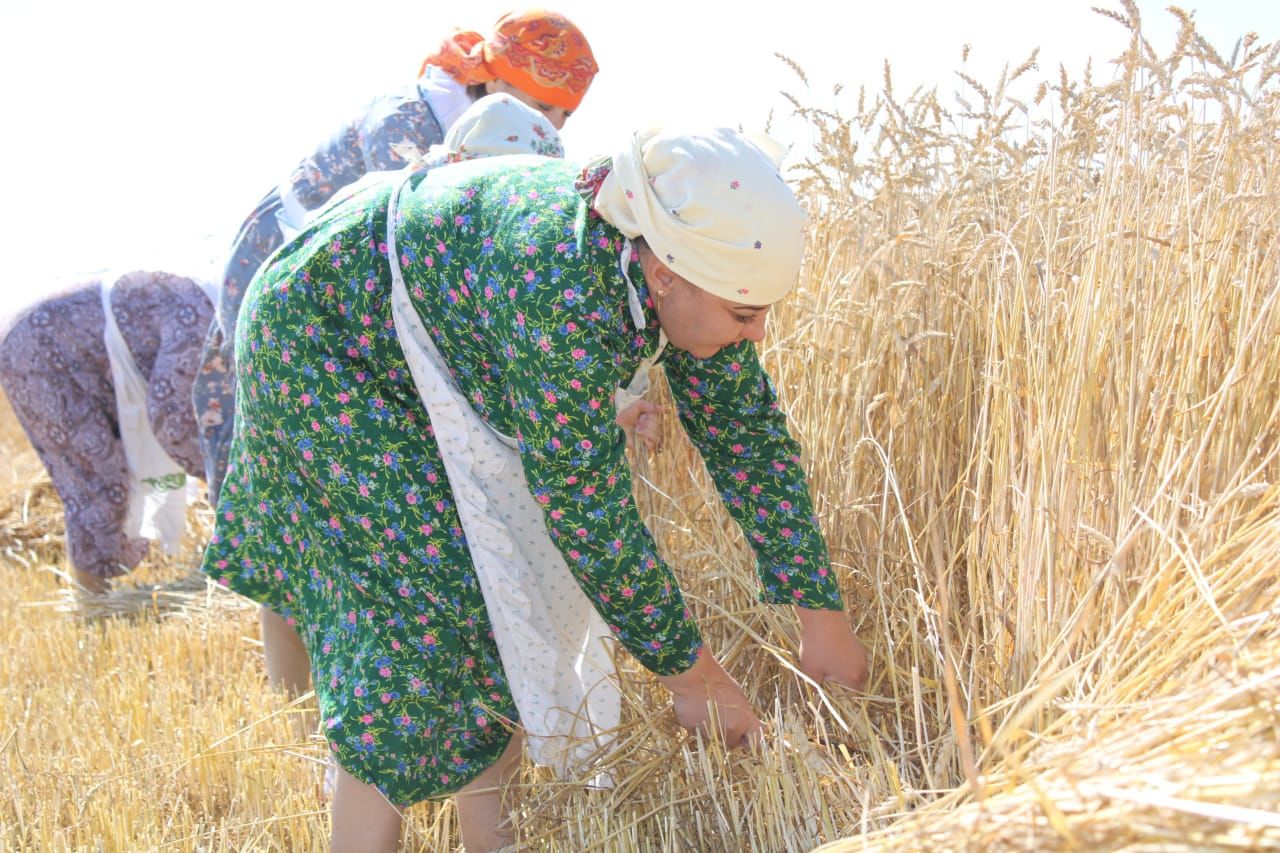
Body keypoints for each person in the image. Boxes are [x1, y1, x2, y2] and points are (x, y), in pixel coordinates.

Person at [201, 123, 870, 852]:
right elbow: (589, 515)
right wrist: (694, 678)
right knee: (425, 625)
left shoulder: (679, 270)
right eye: (747, 314)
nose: (761, 333)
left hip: (414, 336)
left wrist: (820, 615)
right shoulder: (559, 284)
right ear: (665, 274)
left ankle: (497, 841)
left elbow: (749, 439)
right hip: (325, 337)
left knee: (493, 603)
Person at [191, 8, 599, 509]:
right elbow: (416, 251)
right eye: (542, 105)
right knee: (269, 404)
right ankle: (254, 545)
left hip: (349, 276)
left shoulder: (492, 141)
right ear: (494, 81)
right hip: (283, 259)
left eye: (564, 115)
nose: (552, 123)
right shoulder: (407, 123)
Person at [0, 271, 214, 592]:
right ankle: (94, 604)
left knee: (107, 474)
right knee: (95, 475)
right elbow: (173, 419)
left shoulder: (210, 308)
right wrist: (222, 476)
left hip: (74, 346)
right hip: (38, 352)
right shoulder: (203, 321)